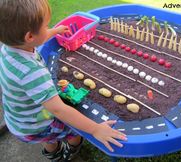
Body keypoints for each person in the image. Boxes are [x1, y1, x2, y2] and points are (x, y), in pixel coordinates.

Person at [0, 0, 127, 161]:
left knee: (49, 138)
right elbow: (59, 110)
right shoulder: (32, 73)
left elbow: (35, 39)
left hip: (21, 119)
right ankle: (69, 151)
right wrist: (95, 129)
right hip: (36, 124)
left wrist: (53, 31)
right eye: (46, 26)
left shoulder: (9, 47)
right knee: (72, 129)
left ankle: (52, 152)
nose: (48, 28)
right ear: (30, 36)